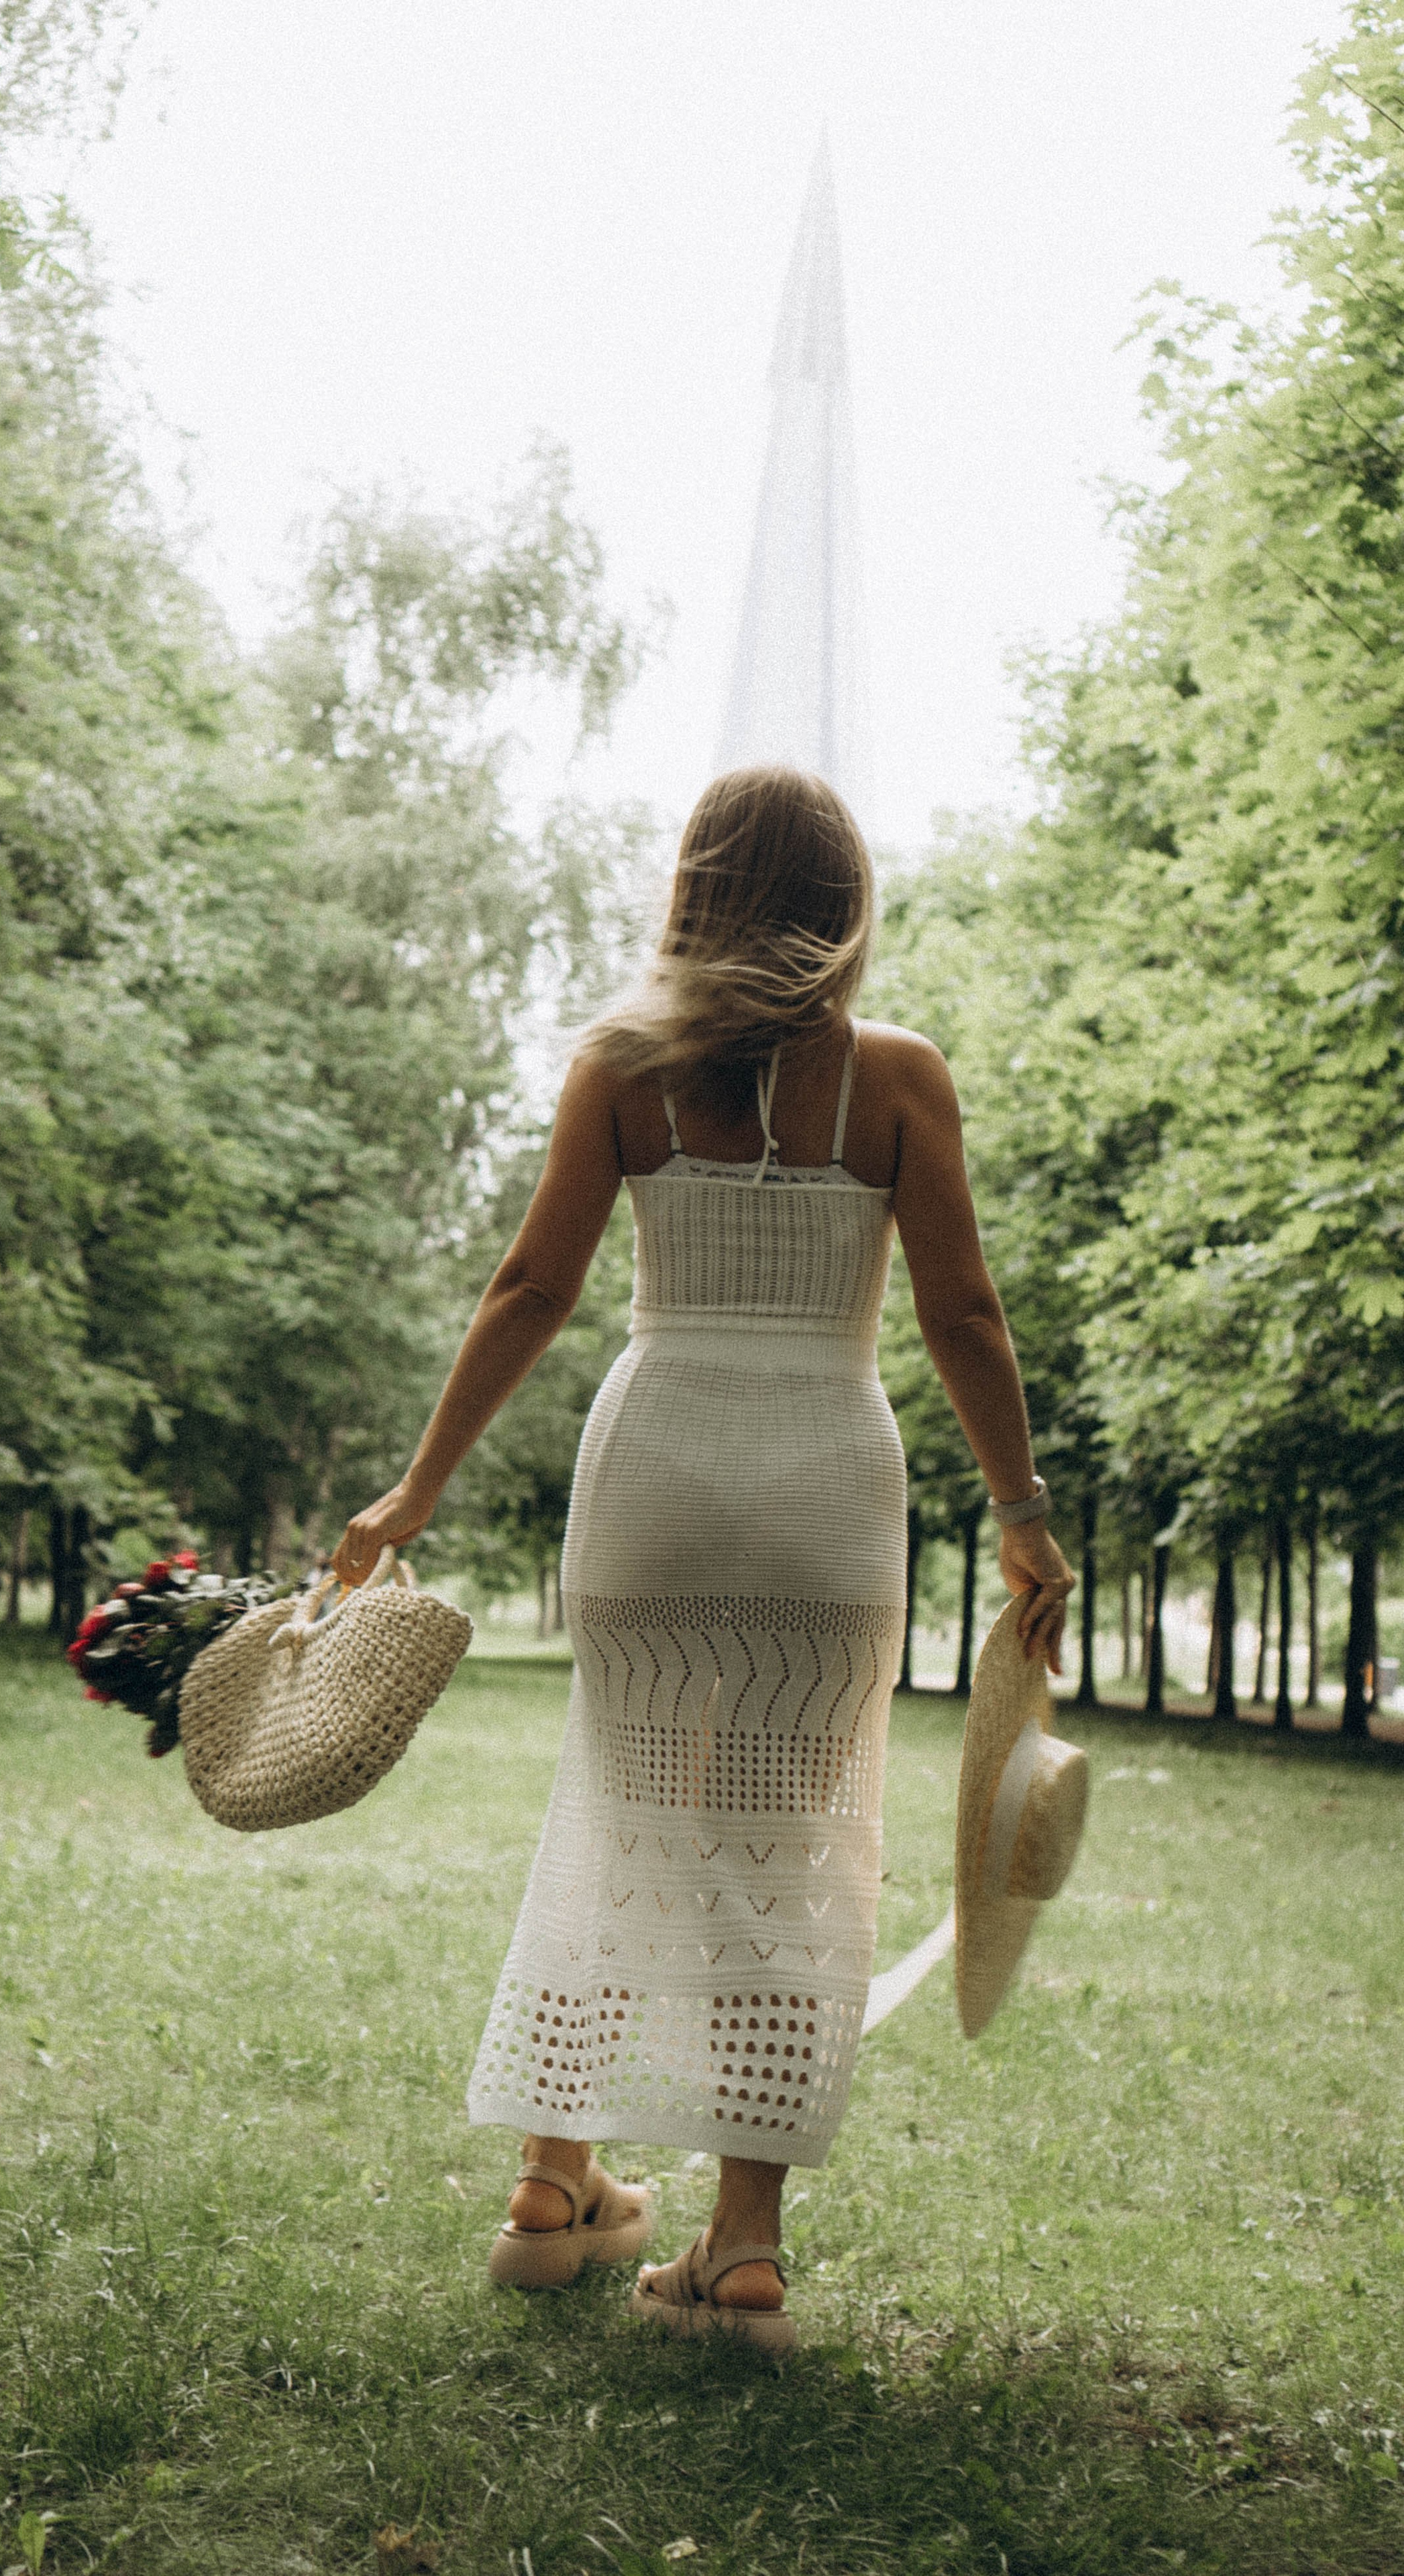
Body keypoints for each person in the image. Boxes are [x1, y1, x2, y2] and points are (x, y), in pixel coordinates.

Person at [335, 765, 1073, 2349]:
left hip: (654, 1471)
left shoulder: (621, 1069)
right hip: (821, 1489)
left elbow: (530, 1286)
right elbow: (960, 1315)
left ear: (694, 891)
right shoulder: (898, 1080)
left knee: (616, 1808)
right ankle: (739, 2249)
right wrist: (1019, 1513)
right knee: (796, 1839)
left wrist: (411, 1494)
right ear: (841, 905)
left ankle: (555, 2184)